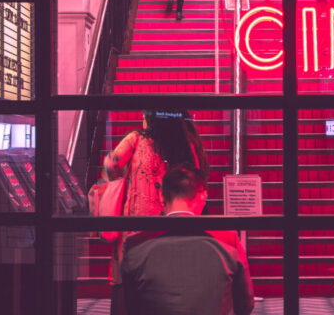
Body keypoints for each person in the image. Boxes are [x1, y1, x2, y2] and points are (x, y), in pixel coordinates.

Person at [103, 110, 208, 315]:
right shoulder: (185, 144)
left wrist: (127, 178)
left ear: (150, 119)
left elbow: (112, 164)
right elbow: (196, 179)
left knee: (127, 280)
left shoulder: (136, 138)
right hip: (171, 223)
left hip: (135, 225)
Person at [121, 165, 255, 315]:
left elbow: (129, 306)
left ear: (161, 197)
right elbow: (246, 304)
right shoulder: (229, 240)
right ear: (203, 196)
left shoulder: (136, 245)